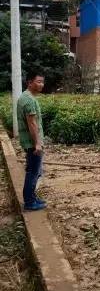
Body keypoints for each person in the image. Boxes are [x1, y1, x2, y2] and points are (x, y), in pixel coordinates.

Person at [17, 72, 46, 211]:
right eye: (38, 81)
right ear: (30, 82)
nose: (41, 84)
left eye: (42, 82)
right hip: (32, 143)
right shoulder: (29, 100)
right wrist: (38, 143)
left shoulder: (25, 97)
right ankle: (29, 202)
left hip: (29, 142)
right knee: (33, 172)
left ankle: (32, 198)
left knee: (33, 170)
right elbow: (32, 124)